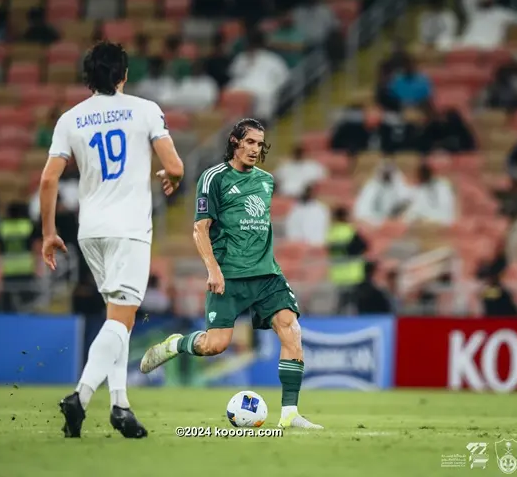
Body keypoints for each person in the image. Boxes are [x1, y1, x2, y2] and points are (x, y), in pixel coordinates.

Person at [39, 41, 184, 439]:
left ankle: (121, 406)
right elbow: (174, 164)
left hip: (91, 232)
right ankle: (81, 397)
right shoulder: (145, 109)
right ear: (124, 75)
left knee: (117, 316)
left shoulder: (70, 119)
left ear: (88, 77)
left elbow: (49, 177)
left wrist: (49, 233)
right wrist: (172, 175)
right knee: (122, 319)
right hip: (130, 230)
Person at [140, 118, 323, 430]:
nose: (255, 149)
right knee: (215, 345)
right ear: (235, 142)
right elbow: (200, 229)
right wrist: (213, 270)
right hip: (229, 276)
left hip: (267, 275)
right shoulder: (213, 178)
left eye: (259, 144)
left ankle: (290, 413)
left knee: (291, 329)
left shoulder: (266, 181)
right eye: (249, 142)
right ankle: (175, 344)